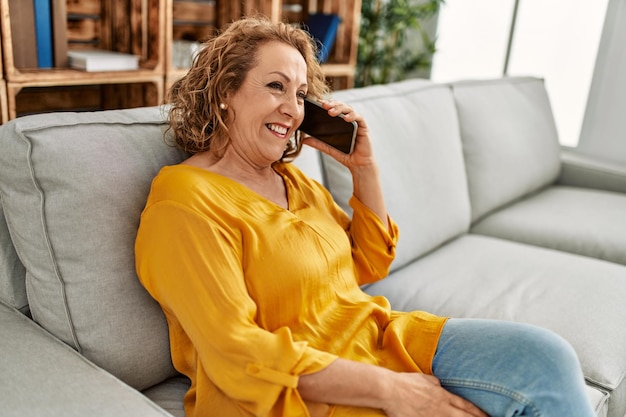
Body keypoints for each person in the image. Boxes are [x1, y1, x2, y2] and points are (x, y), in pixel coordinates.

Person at [135, 16, 596, 417]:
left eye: (300, 95)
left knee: (545, 358)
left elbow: (370, 263)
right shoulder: (183, 200)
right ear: (224, 93)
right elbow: (235, 352)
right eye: (275, 86)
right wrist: (394, 392)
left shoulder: (292, 182)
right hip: (305, 394)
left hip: (386, 341)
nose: (293, 110)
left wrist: (364, 169)